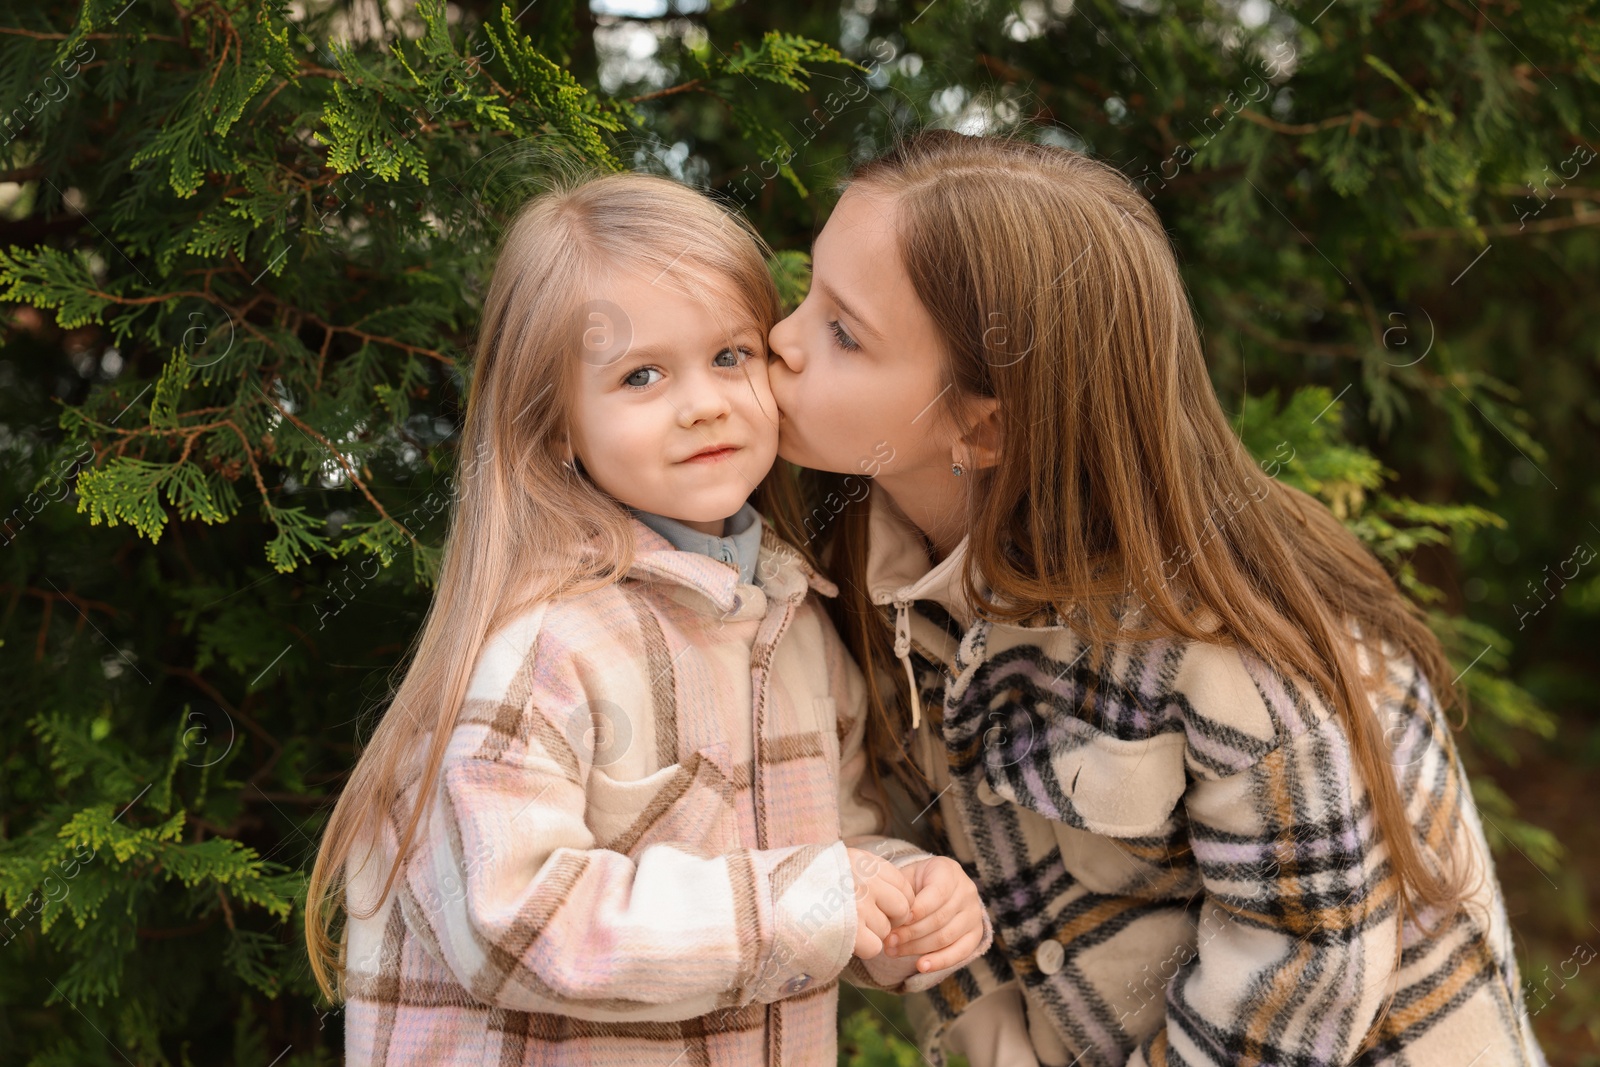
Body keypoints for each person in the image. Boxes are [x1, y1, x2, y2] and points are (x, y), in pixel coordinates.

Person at [763, 129, 1547, 1067]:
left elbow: (1299, 976)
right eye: (807, 294)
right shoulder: (857, 574)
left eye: (843, 332)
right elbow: (931, 886)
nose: (781, 338)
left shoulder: (1223, 642)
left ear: (985, 425)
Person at [302, 171, 991, 1066]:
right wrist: (803, 904)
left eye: (730, 356)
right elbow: (516, 923)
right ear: (554, 423)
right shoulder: (544, 642)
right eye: (642, 374)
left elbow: (830, 852)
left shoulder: (795, 621)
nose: (702, 400)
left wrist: (905, 895)